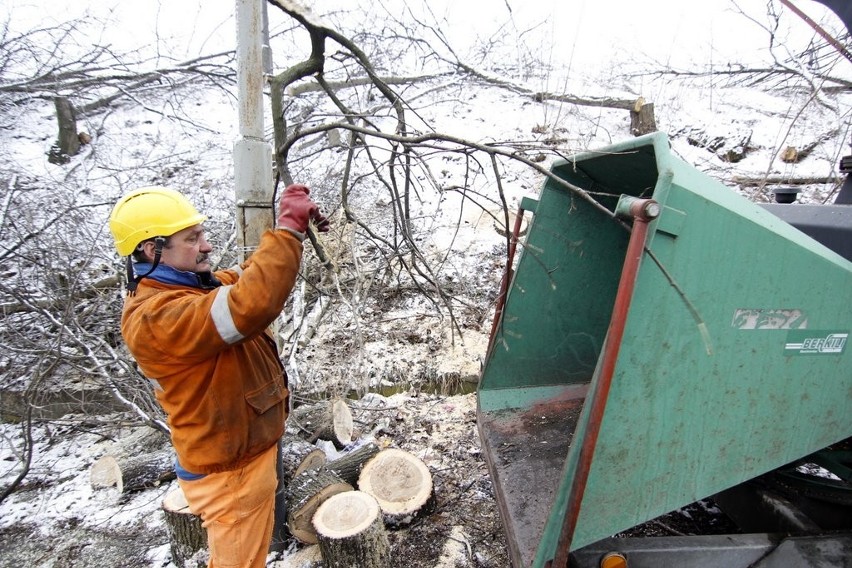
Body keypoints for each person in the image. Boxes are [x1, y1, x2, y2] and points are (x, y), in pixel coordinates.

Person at [108, 184, 330, 568]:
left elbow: (248, 277)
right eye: (192, 239)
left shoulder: (187, 290)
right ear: (151, 249)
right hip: (230, 477)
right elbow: (250, 302)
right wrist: (288, 229)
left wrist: (286, 237)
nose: (207, 246)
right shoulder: (156, 317)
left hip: (241, 463)